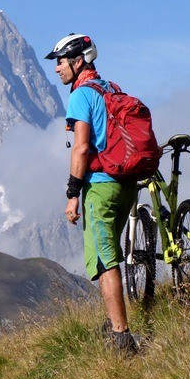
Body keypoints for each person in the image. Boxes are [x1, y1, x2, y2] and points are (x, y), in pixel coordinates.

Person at [45, 33, 138, 355]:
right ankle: (116, 323)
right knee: (109, 251)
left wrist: (72, 193)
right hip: (125, 185)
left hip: (100, 187)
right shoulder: (110, 88)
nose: (56, 69)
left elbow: (82, 147)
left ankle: (121, 338)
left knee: (104, 259)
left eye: (60, 61)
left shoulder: (81, 95)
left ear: (78, 60)